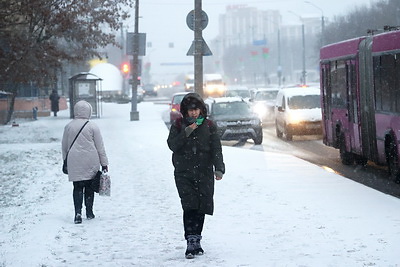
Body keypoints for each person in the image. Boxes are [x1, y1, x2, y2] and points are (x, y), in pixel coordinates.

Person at [167, 92, 225, 259]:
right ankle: (190, 240)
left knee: (202, 205)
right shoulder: (178, 125)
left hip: (204, 171)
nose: (193, 113)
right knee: (189, 204)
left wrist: (219, 168)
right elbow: (172, 145)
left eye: (196, 110)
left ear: (201, 110)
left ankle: (197, 238)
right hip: (184, 172)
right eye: (190, 110)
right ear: (185, 111)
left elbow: (216, 148)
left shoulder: (209, 125)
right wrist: (187, 131)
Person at [62, 100, 108, 224]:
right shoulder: (93, 126)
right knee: (89, 187)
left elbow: (65, 146)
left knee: (77, 187)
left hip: (74, 160)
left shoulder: (69, 126)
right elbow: (100, 147)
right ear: (89, 110)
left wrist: (65, 161)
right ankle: (89, 212)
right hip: (90, 160)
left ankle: (77, 213)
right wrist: (104, 163)